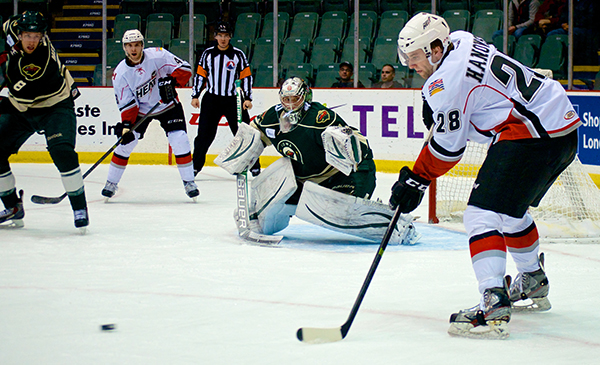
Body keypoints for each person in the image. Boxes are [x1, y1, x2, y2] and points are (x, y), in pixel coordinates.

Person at [391, 13, 580, 339]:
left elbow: (449, 147)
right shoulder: (462, 38)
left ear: (436, 49)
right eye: (405, 57)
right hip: (561, 129)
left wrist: (416, 177)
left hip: (532, 135)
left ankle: (492, 301)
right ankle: (532, 278)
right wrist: (433, 101)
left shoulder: (443, 85)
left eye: (414, 56)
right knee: (509, 213)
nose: (409, 64)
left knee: (480, 214)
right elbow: (473, 91)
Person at [215, 77, 419, 245]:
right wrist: (244, 151)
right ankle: (254, 212)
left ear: (305, 98)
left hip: (347, 175)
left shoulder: (321, 118)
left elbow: (359, 146)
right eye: (286, 99)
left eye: (295, 99)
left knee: (336, 212)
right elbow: (254, 132)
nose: (290, 105)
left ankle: (398, 225)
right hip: (306, 181)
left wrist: (346, 145)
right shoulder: (272, 117)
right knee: (271, 206)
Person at [0, 11, 89, 230]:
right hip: (23, 109)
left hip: (54, 105)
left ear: (42, 37)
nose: (32, 40)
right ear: (19, 33)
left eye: (36, 36)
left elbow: (22, 94)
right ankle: (12, 207)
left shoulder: (39, 61)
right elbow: (7, 25)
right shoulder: (12, 28)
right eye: (27, 35)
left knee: (62, 151)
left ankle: (80, 208)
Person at [101, 29, 199, 200]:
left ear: (142, 45)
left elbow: (185, 68)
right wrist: (126, 126)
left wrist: (173, 81)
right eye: (130, 46)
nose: (134, 49)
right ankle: (111, 183)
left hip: (168, 105)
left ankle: (189, 182)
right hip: (141, 111)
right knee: (125, 144)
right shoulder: (120, 74)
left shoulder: (157, 55)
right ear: (124, 48)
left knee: (180, 140)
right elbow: (127, 104)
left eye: (137, 45)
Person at [191, 21, 261, 177]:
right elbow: (200, 75)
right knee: (204, 135)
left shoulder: (238, 55)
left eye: (226, 36)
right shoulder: (208, 54)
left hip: (233, 100)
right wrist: (195, 95)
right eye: (220, 35)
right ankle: (195, 167)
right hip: (212, 99)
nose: (223, 39)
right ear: (215, 36)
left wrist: (247, 98)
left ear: (230, 37)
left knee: (245, 133)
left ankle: (254, 166)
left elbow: (246, 77)